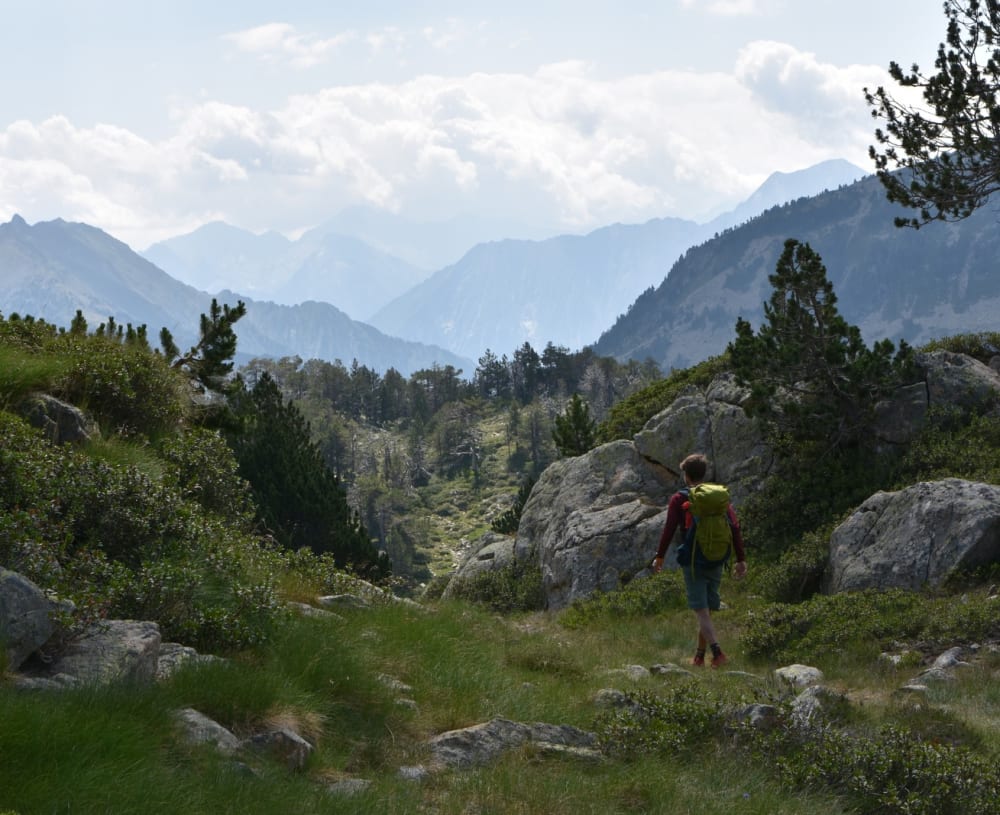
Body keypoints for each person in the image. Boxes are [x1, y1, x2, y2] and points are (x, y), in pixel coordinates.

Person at [651, 453, 747, 668]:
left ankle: (718, 653)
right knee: (707, 612)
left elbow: (669, 529)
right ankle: (699, 657)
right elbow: (734, 526)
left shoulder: (679, 499)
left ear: (686, 475)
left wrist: (660, 556)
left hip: (693, 560)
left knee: (701, 612)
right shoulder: (719, 497)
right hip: (716, 558)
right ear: (704, 474)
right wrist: (740, 558)